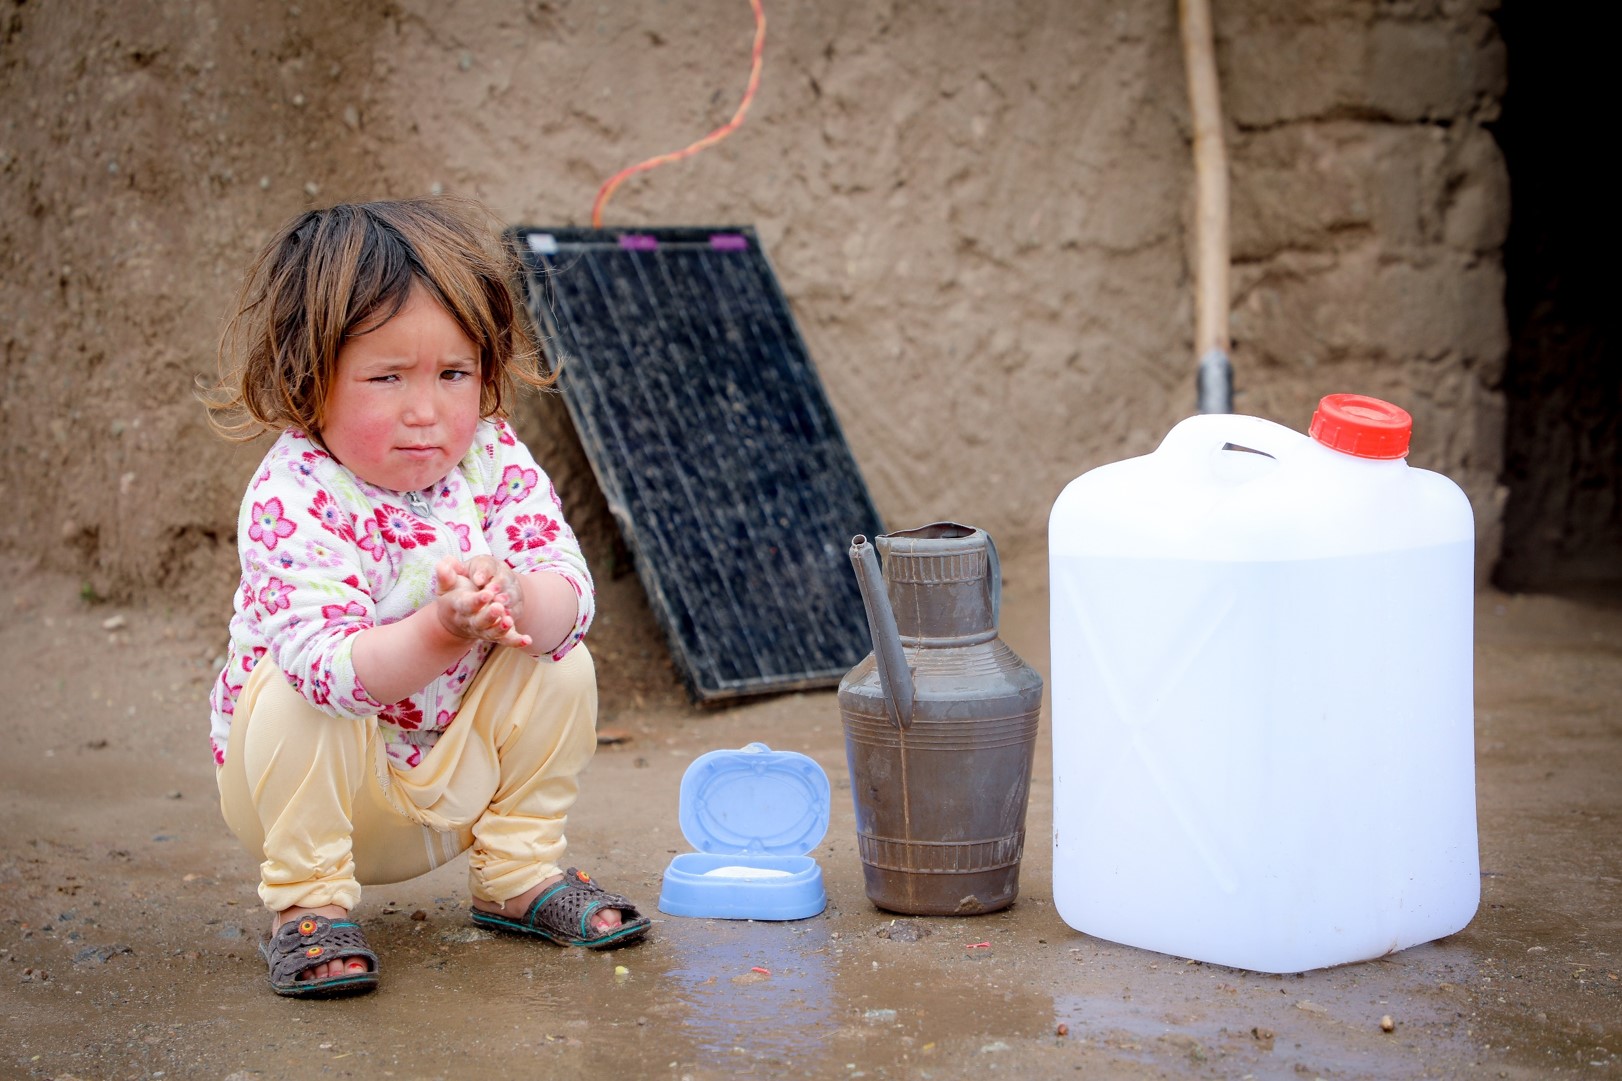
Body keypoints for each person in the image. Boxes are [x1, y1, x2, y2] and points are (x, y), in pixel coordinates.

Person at [201, 196, 650, 999]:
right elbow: (328, 669)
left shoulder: (490, 455)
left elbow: (572, 593)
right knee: (294, 690)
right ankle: (307, 903)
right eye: (386, 377)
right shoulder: (295, 492)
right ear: (311, 378)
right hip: (312, 799)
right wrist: (442, 629)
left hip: (446, 792)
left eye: (454, 373)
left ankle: (515, 874)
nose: (427, 411)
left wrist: (519, 594)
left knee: (561, 660)